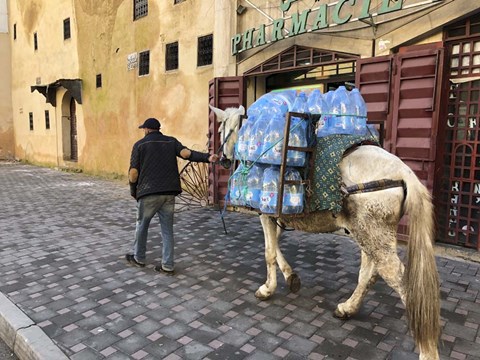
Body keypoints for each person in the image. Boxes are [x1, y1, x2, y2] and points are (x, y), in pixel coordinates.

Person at [126, 117, 219, 275]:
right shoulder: (171, 142)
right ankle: (167, 265)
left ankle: (139, 257)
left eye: (144, 129)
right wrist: (207, 158)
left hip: (148, 192)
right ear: (158, 129)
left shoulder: (139, 145)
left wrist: (133, 191)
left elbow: (133, 174)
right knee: (167, 230)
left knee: (142, 225)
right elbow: (187, 153)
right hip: (169, 193)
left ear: (147, 130)